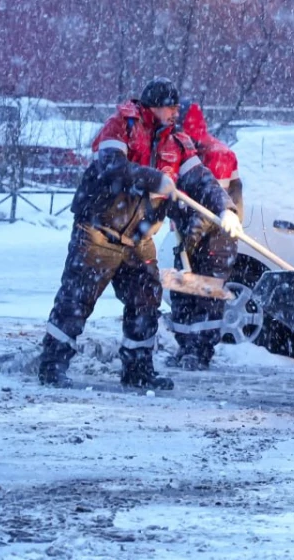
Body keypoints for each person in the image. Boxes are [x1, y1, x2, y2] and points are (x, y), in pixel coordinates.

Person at [36, 78, 241, 390]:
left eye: (176, 106)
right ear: (152, 107)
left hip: (139, 239)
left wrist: (226, 209)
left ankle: (138, 371)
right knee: (76, 300)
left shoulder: (179, 143)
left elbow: (203, 180)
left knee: (145, 302)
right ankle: (52, 366)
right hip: (98, 231)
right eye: (169, 106)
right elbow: (110, 168)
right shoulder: (120, 127)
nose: (175, 112)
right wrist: (152, 178)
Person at [166, 102, 243, 371]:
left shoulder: (217, 155)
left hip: (216, 238)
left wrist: (191, 236)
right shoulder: (182, 152)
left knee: (206, 293)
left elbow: (213, 207)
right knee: (183, 292)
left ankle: (200, 352)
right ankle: (186, 348)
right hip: (189, 236)